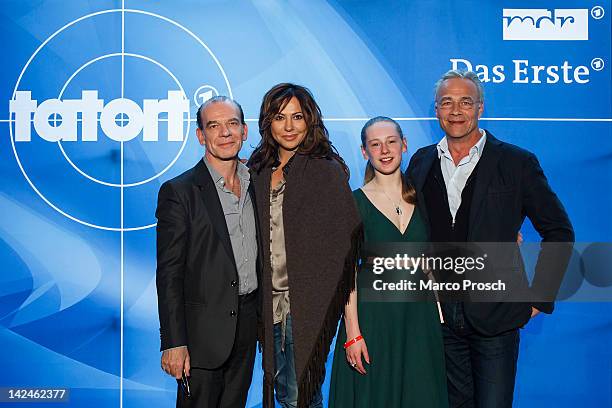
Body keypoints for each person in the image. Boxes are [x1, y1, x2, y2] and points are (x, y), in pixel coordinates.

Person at [406, 70, 574, 407]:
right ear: (436, 111)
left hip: (496, 315)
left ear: (480, 108)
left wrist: (539, 299)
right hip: (438, 319)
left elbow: (559, 231)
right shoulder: (421, 161)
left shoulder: (516, 162)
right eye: (446, 102)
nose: (456, 111)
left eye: (465, 102)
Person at [248, 83, 361, 408]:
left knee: (300, 393)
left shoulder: (326, 173)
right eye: (280, 117)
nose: (288, 126)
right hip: (266, 305)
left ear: (309, 121)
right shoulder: (255, 172)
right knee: (285, 392)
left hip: (309, 306)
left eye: (297, 117)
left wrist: (351, 325)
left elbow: (346, 255)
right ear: (267, 121)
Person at [328, 116, 448, 407]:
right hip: (373, 321)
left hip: (420, 322)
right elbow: (346, 275)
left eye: (391, 141)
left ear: (404, 145)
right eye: (375, 144)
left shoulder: (425, 200)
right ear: (364, 151)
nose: (385, 150)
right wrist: (353, 332)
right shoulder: (353, 203)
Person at [155, 96, 261, 407]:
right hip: (201, 336)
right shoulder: (179, 191)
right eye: (214, 125)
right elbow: (169, 272)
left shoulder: (258, 182)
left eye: (232, 124)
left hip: (247, 326)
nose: (225, 133)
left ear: (244, 131)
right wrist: (174, 342)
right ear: (201, 136)